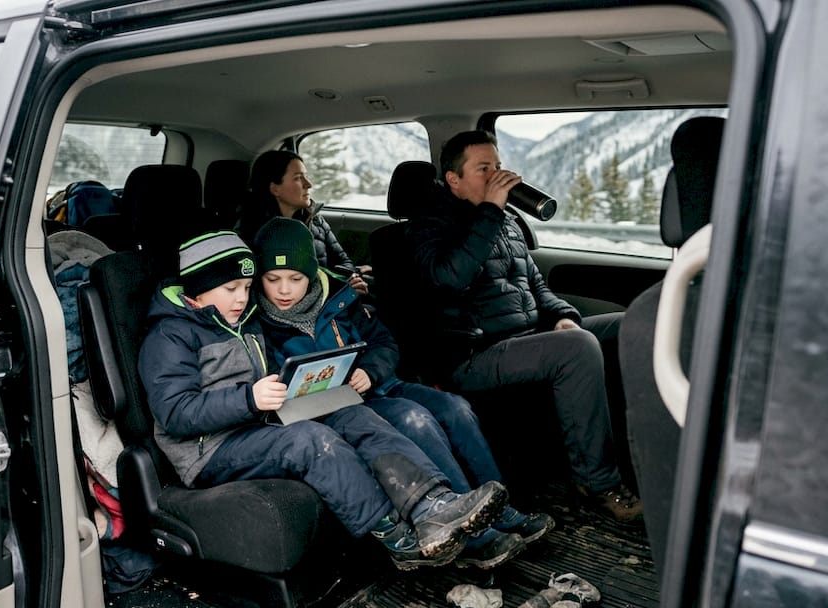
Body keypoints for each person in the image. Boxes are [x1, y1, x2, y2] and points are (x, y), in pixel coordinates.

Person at [138, 229, 509, 571]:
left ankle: (431, 505)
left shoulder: (242, 320)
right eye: (230, 287)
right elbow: (174, 412)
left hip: (255, 423)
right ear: (198, 289)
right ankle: (397, 536)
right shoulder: (170, 335)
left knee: (347, 410)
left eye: (247, 287)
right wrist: (249, 399)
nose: (242, 297)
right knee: (312, 442)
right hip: (209, 448)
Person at [254, 217, 554, 568]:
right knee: (416, 419)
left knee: (454, 407)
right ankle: (473, 535)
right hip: (339, 407)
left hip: (377, 385)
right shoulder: (257, 321)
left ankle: (500, 509)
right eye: (273, 280)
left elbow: (384, 342)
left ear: (311, 272)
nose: (284, 290)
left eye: (296, 279)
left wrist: (371, 371)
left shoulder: (340, 295)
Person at [403, 130, 642, 523]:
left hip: (525, 339)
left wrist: (565, 316)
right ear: (454, 179)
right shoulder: (428, 226)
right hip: (472, 354)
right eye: (484, 169)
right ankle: (597, 483)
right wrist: (491, 213)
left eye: (497, 166)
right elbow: (450, 278)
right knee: (578, 348)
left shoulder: (507, 222)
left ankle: (643, 451)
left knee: (631, 325)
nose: (498, 176)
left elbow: (537, 287)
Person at [236, 149, 371, 295]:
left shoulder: (316, 220)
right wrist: (336, 290)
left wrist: (351, 279)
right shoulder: (254, 233)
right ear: (275, 188)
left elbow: (344, 263)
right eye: (298, 178)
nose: (308, 184)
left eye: (306, 176)